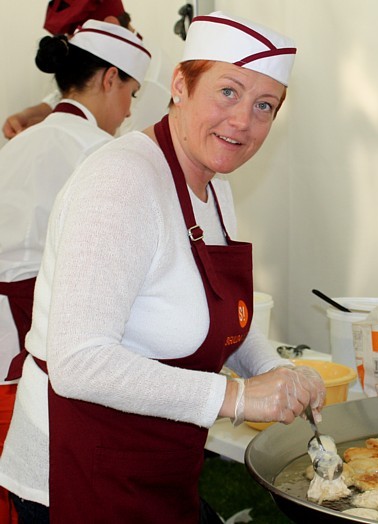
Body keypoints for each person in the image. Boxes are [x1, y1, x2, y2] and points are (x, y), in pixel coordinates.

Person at [0, 10, 325, 523]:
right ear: (180, 84)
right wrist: (236, 396)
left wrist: (274, 370)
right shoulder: (121, 182)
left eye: (265, 105)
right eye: (228, 92)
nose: (243, 120)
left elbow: (214, 312)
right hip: (80, 472)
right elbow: (80, 361)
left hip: (157, 463)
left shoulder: (215, 187)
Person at [0, 18, 150, 524]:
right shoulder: (102, 155)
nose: (130, 110)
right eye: (132, 91)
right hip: (27, 335)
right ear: (110, 79)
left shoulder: (22, 140)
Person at [2, 0, 172, 140]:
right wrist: (32, 115)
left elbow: (124, 151)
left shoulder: (148, 80)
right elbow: (81, 92)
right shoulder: (109, 62)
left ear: (109, 25)